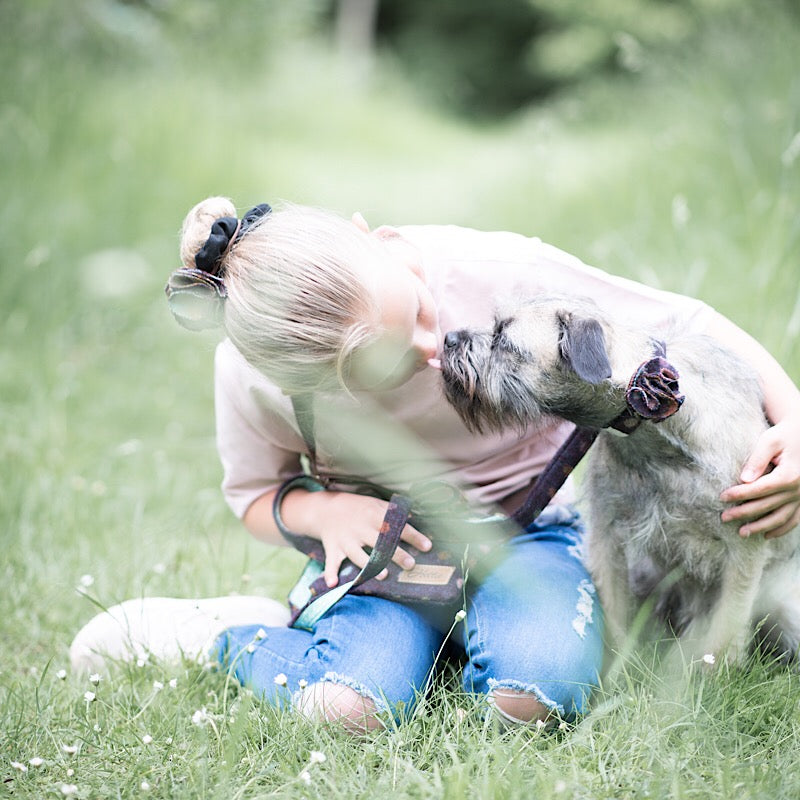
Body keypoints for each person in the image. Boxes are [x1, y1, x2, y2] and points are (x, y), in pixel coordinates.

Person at [71, 197, 800, 733]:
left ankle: (463, 639)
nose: (431, 346)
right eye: (389, 362)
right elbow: (257, 495)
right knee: (347, 713)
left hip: (530, 533)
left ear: (372, 238)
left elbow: (691, 326)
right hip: (390, 561)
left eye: (419, 310)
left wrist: (794, 422)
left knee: (533, 700)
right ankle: (237, 637)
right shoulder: (257, 373)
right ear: (314, 382)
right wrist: (325, 511)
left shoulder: (497, 271)